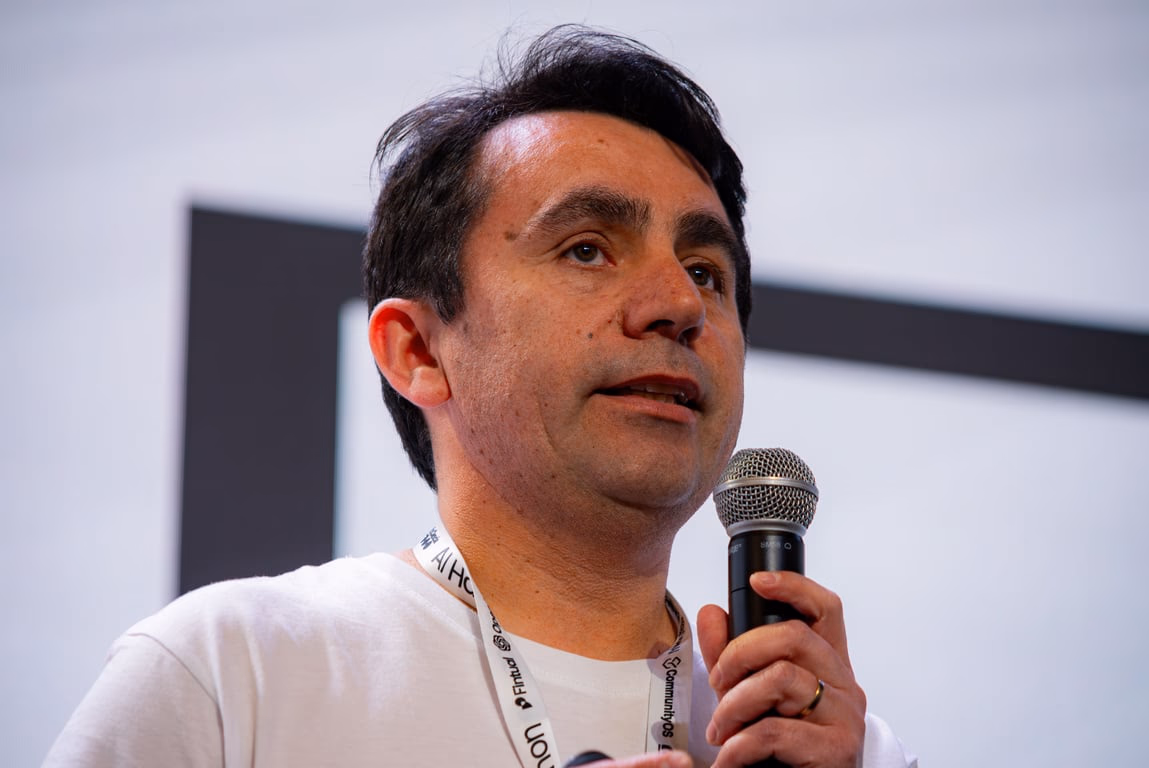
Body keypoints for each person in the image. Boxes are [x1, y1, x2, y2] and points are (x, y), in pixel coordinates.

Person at [46, 26, 916, 768]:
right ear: (419, 350)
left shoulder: (836, 748)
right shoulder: (232, 673)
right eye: (585, 249)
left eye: (705, 271)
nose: (679, 304)